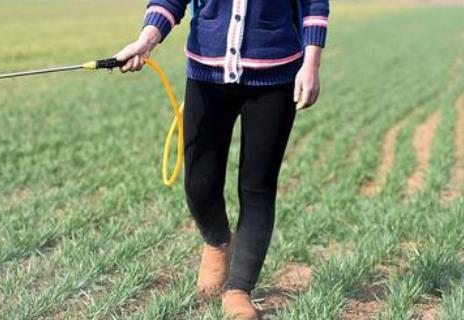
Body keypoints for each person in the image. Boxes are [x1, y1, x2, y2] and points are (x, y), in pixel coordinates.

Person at [115, 0, 329, 318]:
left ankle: (239, 289)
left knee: (257, 188)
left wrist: (311, 65)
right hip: (206, 75)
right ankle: (217, 242)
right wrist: (147, 40)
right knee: (199, 184)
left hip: (275, 79)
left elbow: (314, 4)